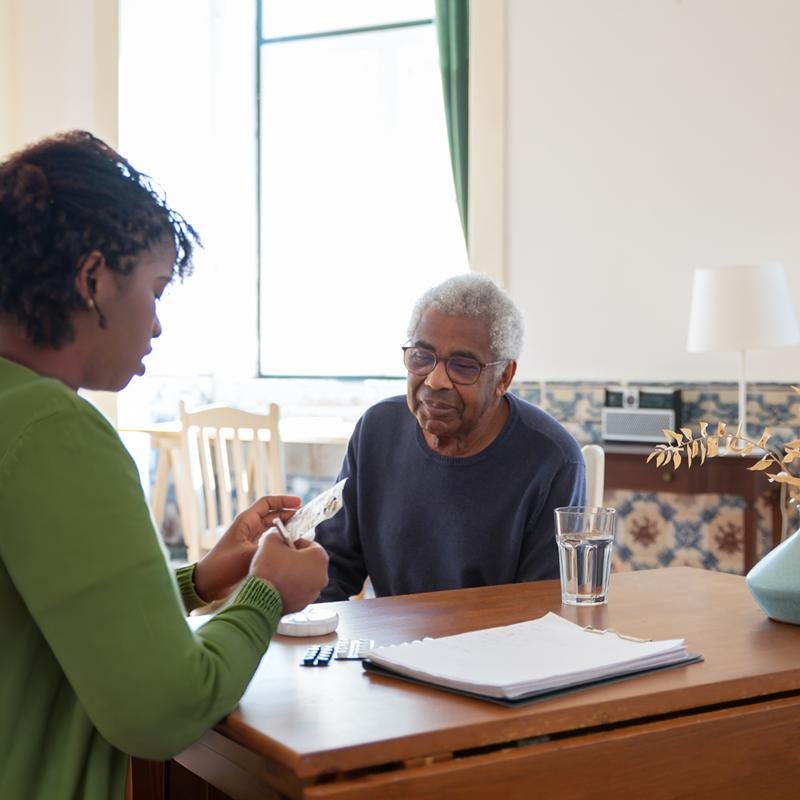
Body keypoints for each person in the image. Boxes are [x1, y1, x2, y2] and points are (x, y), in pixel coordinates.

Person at [0, 131, 329, 799]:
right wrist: (268, 594)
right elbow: (164, 708)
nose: (157, 324)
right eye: (154, 290)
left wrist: (203, 579)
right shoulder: (55, 431)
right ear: (92, 279)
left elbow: (44, 615)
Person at [315, 273, 585, 600]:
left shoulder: (553, 460)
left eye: (463, 366)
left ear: (504, 377)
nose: (436, 380)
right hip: (390, 644)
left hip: (498, 646)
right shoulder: (377, 430)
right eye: (421, 357)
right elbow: (331, 570)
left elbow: (542, 607)